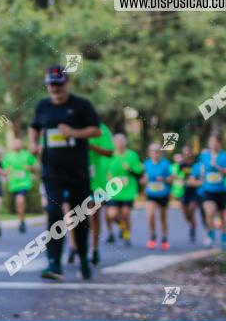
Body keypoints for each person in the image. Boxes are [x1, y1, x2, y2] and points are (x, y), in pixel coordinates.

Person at [29, 65, 102, 281]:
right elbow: (34, 127)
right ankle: (54, 263)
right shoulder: (42, 106)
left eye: (59, 84)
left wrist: (75, 133)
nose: (55, 88)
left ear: (67, 84)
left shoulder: (81, 105)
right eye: (52, 84)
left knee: (79, 217)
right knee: (53, 211)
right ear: (47, 84)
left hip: (77, 171)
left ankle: (83, 258)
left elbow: (96, 129)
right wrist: (33, 144)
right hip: (51, 171)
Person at [106, 133, 142, 247]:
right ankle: (122, 227)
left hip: (128, 191)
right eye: (117, 141)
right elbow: (104, 170)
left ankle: (127, 236)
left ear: (125, 142)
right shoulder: (110, 155)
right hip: (113, 191)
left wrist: (130, 169)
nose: (119, 143)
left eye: (122, 141)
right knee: (112, 215)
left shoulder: (132, 155)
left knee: (126, 214)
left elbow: (139, 173)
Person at [198, 133, 226, 251]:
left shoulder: (224, 156)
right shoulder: (204, 155)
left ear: (219, 143)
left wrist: (217, 166)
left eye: (215, 142)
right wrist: (200, 177)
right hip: (208, 190)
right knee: (209, 212)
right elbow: (202, 169)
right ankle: (211, 234)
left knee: (222, 217)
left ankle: (224, 239)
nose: (213, 144)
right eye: (211, 142)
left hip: (222, 190)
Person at [86, 122, 114, 264]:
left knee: (94, 214)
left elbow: (109, 152)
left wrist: (90, 146)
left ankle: (94, 248)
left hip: (97, 181)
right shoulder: (69, 125)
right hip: (75, 179)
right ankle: (74, 247)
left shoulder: (101, 129)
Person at [142, 143, 176, 251]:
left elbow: (172, 178)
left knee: (163, 217)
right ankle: (153, 236)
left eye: (157, 151)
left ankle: (164, 238)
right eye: (153, 151)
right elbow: (143, 178)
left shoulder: (165, 164)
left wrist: (165, 179)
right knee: (150, 215)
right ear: (149, 153)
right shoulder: (146, 164)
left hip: (163, 194)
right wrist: (143, 181)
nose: (155, 153)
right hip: (150, 194)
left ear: (160, 153)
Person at [2, 137, 38, 233]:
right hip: (13, 184)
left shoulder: (27, 155)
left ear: (22, 145)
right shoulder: (8, 156)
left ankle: (21, 221)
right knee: (19, 202)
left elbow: (36, 167)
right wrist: (6, 173)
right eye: (16, 143)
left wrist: (30, 168)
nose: (17, 145)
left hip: (25, 183)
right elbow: (4, 170)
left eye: (19, 143)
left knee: (20, 200)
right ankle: (21, 219)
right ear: (13, 145)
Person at [176, 146, 204, 243]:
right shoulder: (182, 164)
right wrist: (179, 180)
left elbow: (201, 175)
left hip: (195, 191)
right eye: (185, 152)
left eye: (188, 152)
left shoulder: (197, 164)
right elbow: (177, 175)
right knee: (185, 213)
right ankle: (192, 224)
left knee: (191, 209)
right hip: (185, 190)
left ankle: (193, 228)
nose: (187, 154)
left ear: (191, 153)